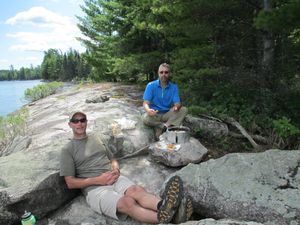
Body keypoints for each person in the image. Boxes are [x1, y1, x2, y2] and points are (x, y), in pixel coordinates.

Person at [60, 111, 192, 224]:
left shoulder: (96, 138)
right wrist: (98, 180)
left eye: (82, 120)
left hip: (114, 177)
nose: (79, 123)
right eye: (75, 121)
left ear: (86, 122)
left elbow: (113, 159)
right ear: (70, 124)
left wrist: (116, 170)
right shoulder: (67, 149)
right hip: (95, 188)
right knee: (127, 203)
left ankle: (164, 207)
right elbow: (70, 182)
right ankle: (168, 218)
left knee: (136, 190)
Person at [143, 63, 188, 140]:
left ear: (169, 73)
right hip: (155, 114)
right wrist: (148, 110)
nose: (164, 74)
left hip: (167, 114)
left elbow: (177, 103)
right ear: (158, 73)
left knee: (184, 110)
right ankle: (164, 126)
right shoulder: (150, 85)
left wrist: (176, 107)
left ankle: (165, 126)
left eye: (166, 72)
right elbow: (145, 103)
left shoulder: (174, 87)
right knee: (145, 119)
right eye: (161, 72)